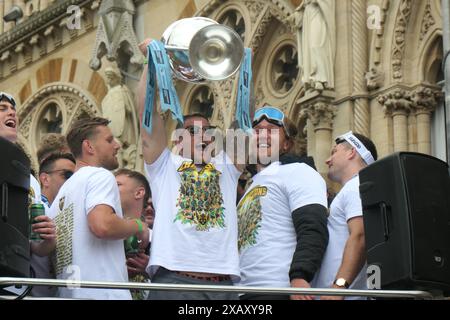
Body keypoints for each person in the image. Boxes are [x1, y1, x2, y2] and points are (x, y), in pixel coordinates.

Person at [138, 40, 244, 300]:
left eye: (208, 131)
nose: (203, 136)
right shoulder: (165, 166)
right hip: (175, 282)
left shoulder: (227, 169)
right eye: (192, 131)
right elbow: (146, 113)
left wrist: (244, 66)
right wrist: (150, 64)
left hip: (223, 285)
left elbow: (245, 121)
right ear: (177, 140)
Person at [47, 117, 149, 300]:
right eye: (109, 140)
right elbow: (102, 225)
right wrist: (140, 226)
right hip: (103, 294)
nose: (117, 145)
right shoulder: (99, 176)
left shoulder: (60, 197)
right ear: (89, 147)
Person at [237, 105, 329, 300]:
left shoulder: (298, 171)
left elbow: (312, 227)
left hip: (278, 290)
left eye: (271, 131)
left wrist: (300, 276)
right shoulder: (251, 185)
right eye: (257, 131)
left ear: (287, 144)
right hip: (241, 292)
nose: (262, 136)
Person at [0, 91, 56, 296]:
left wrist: (47, 240)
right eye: (3, 109)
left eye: (14, 110)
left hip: (17, 285)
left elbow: (33, 246)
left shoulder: (28, 177)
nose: (12, 114)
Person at [312, 131, 378, 300]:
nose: (327, 160)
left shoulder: (356, 186)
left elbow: (360, 235)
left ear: (352, 152)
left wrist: (339, 287)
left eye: (334, 151)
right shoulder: (357, 187)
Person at [31, 152, 76, 297]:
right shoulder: (34, 209)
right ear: (45, 179)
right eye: (68, 175)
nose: (73, 181)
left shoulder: (71, 212)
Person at [115, 169, 152, 300]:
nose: (108, 189)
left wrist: (151, 269)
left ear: (139, 193)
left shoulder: (159, 240)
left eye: (117, 185)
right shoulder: (102, 232)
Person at [293, 0, 336, 91]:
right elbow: (303, 5)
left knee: (316, 45)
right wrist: (299, 11)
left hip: (319, 14)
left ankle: (321, 78)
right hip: (309, 15)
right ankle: (312, 78)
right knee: (309, 50)